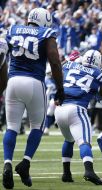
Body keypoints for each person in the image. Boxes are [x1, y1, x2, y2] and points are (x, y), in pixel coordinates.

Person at [2, 8, 64, 189]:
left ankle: (7, 163)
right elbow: (54, 59)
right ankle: (26, 162)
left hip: (12, 81)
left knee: (12, 127)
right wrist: (60, 88)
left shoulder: (13, 29)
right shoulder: (46, 32)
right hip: (34, 82)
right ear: (45, 20)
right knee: (37, 126)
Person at [54, 50, 102, 185]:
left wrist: (68, 60)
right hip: (77, 109)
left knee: (68, 140)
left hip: (60, 109)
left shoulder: (70, 65)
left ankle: (66, 173)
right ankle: (89, 171)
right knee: (84, 142)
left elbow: (53, 72)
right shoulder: (99, 74)